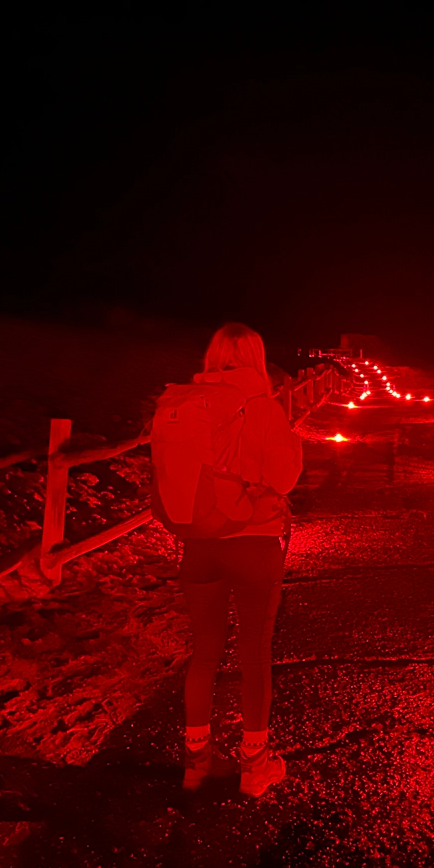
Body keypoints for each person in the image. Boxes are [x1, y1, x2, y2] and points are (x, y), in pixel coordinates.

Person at [164, 322, 302, 796]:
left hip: (200, 545)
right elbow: (283, 479)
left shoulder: (186, 404)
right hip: (252, 544)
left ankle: (196, 764)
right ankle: (254, 765)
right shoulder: (263, 406)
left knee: (204, 654)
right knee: (254, 656)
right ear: (257, 359)